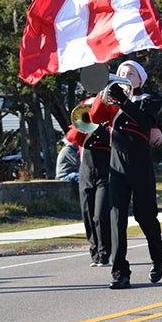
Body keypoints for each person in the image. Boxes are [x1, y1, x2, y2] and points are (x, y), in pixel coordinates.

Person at [89, 60, 162, 289]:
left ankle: (157, 254)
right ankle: (120, 272)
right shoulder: (112, 102)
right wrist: (103, 93)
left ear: (140, 79)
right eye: (121, 72)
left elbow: (143, 122)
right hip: (116, 166)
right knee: (117, 218)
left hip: (140, 165)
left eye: (130, 73)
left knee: (145, 216)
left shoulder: (148, 99)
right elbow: (94, 118)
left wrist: (123, 99)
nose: (124, 75)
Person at [67, 97, 112, 267]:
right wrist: (86, 125)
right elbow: (72, 137)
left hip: (106, 172)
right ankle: (95, 254)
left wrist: (98, 127)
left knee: (100, 215)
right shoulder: (82, 129)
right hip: (86, 172)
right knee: (88, 214)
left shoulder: (109, 126)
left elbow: (113, 141)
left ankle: (105, 252)